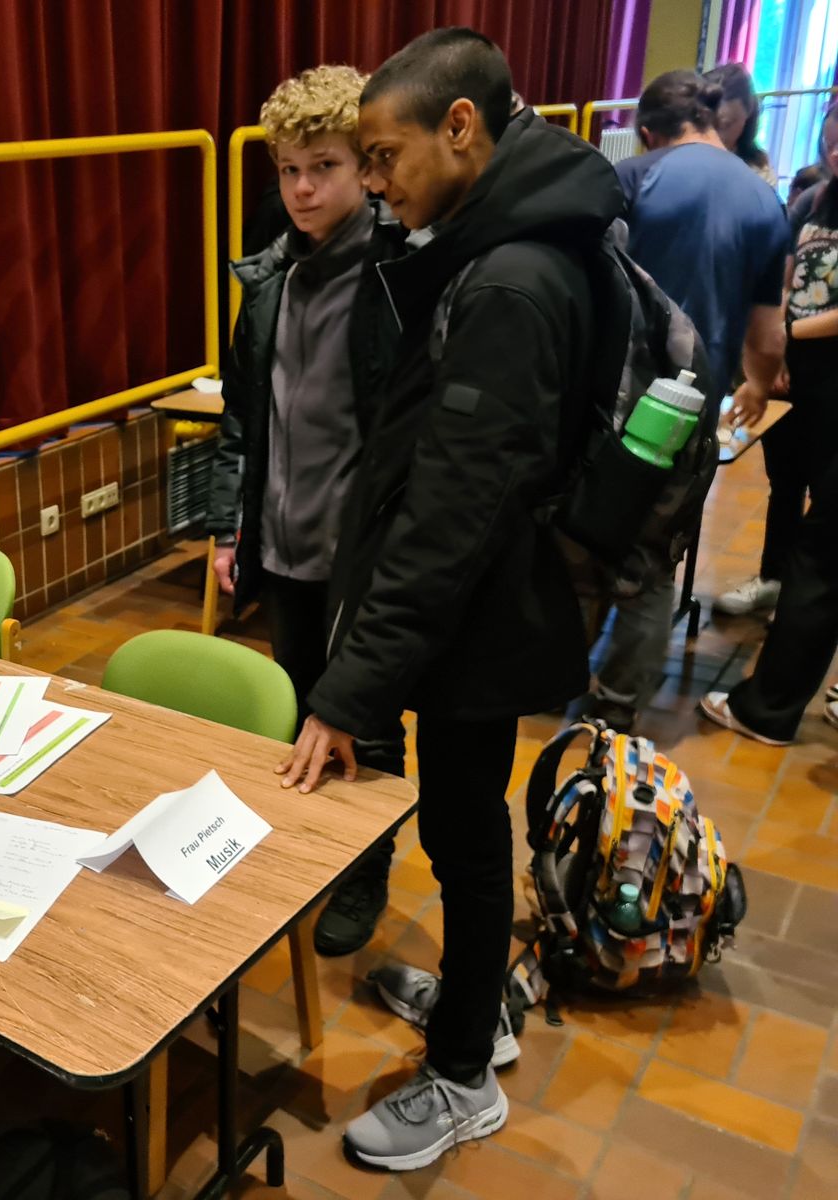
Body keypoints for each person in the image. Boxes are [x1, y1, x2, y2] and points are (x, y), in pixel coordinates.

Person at [276, 28, 622, 1168]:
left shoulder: (515, 282)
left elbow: (450, 521)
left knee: (464, 841)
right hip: (482, 608)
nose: (373, 183)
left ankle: (464, 1075)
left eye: (383, 156)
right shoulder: (495, 239)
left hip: (485, 615)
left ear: (460, 128)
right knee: (462, 831)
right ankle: (475, 1007)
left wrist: (346, 691)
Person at [208, 64, 404, 958]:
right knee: (294, 705)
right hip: (282, 542)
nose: (301, 188)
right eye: (288, 170)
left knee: (366, 713)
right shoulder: (270, 280)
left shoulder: (403, 276)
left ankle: (365, 865)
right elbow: (242, 421)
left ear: (366, 166)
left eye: (322, 166)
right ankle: (310, 856)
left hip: (363, 551)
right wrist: (227, 527)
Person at [575, 69, 788, 730]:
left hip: (613, 400)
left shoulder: (636, 180)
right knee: (654, 563)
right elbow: (767, 334)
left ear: (645, 132)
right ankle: (614, 709)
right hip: (693, 410)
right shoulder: (763, 201)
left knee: (583, 543)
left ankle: (554, 671)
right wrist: (754, 384)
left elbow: (590, 290)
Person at [702, 99, 838, 742]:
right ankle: (774, 581)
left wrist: (782, 332)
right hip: (799, 377)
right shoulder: (813, 198)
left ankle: (781, 699)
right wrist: (772, 354)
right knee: (790, 488)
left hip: (825, 370)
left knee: (826, 544)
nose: (835, 154)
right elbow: (783, 277)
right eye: (831, 142)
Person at [705, 62, 778, 187]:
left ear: (748, 113)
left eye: (726, 125)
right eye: (709, 124)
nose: (716, 136)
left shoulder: (759, 171)